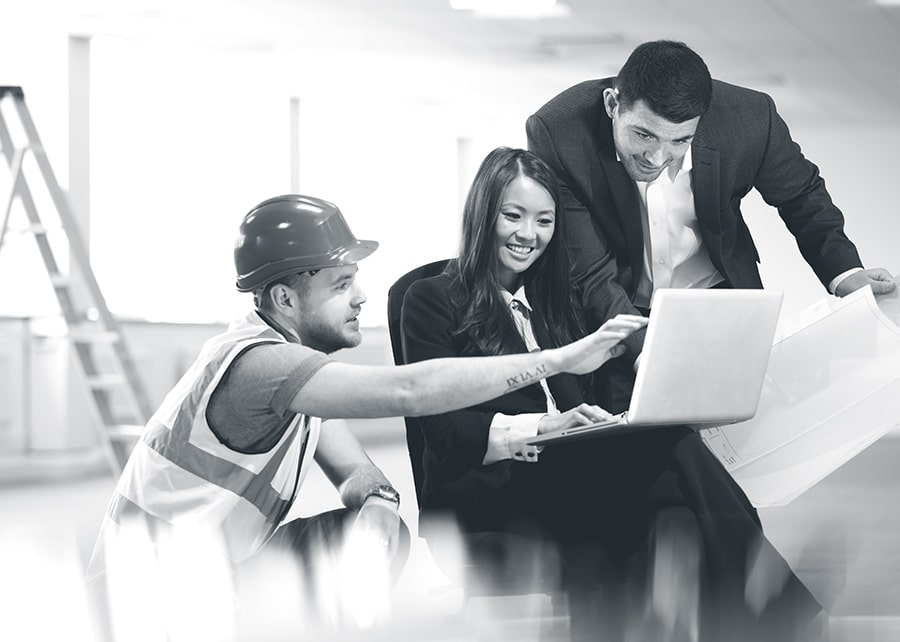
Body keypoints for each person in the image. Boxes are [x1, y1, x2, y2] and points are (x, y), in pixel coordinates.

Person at [86, 194, 646, 639]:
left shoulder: (294, 375)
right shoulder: (261, 367)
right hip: (150, 603)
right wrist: (560, 359)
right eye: (341, 284)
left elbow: (357, 472)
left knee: (377, 531)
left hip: (216, 577)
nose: (361, 297)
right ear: (284, 299)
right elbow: (406, 392)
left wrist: (378, 503)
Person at [400, 148, 823, 642]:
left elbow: (600, 399)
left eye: (543, 220)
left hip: (569, 475)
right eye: (511, 216)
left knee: (671, 497)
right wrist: (541, 427)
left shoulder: (556, 304)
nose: (527, 235)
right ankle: (782, 614)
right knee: (670, 468)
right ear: (482, 214)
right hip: (491, 488)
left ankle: (755, 617)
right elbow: (444, 431)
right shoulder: (431, 300)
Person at [526, 39, 895, 409]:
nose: (657, 157)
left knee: (737, 434)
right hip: (619, 314)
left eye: (680, 141)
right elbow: (590, 274)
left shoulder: (749, 118)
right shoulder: (559, 132)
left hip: (719, 301)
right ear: (612, 105)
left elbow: (801, 196)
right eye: (643, 135)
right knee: (634, 442)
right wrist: (648, 356)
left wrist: (846, 273)